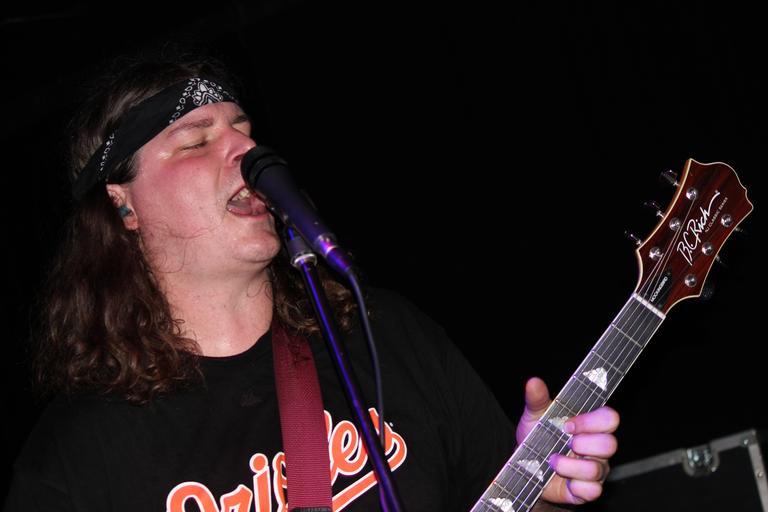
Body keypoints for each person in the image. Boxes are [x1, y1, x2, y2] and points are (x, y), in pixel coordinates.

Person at [3, 50, 619, 512]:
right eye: (196, 141)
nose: (246, 149)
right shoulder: (78, 454)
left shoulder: (387, 335)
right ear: (123, 205)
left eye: (244, 130)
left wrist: (542, 491)